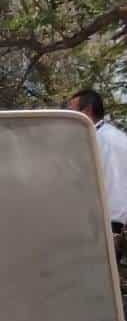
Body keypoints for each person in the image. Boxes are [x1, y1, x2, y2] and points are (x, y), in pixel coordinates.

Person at [66, 89, 127, 230]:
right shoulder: (120, 137)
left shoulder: (92, 140)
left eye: (71, 111)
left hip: (104, 225)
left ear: (86, 111)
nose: (69, 118)